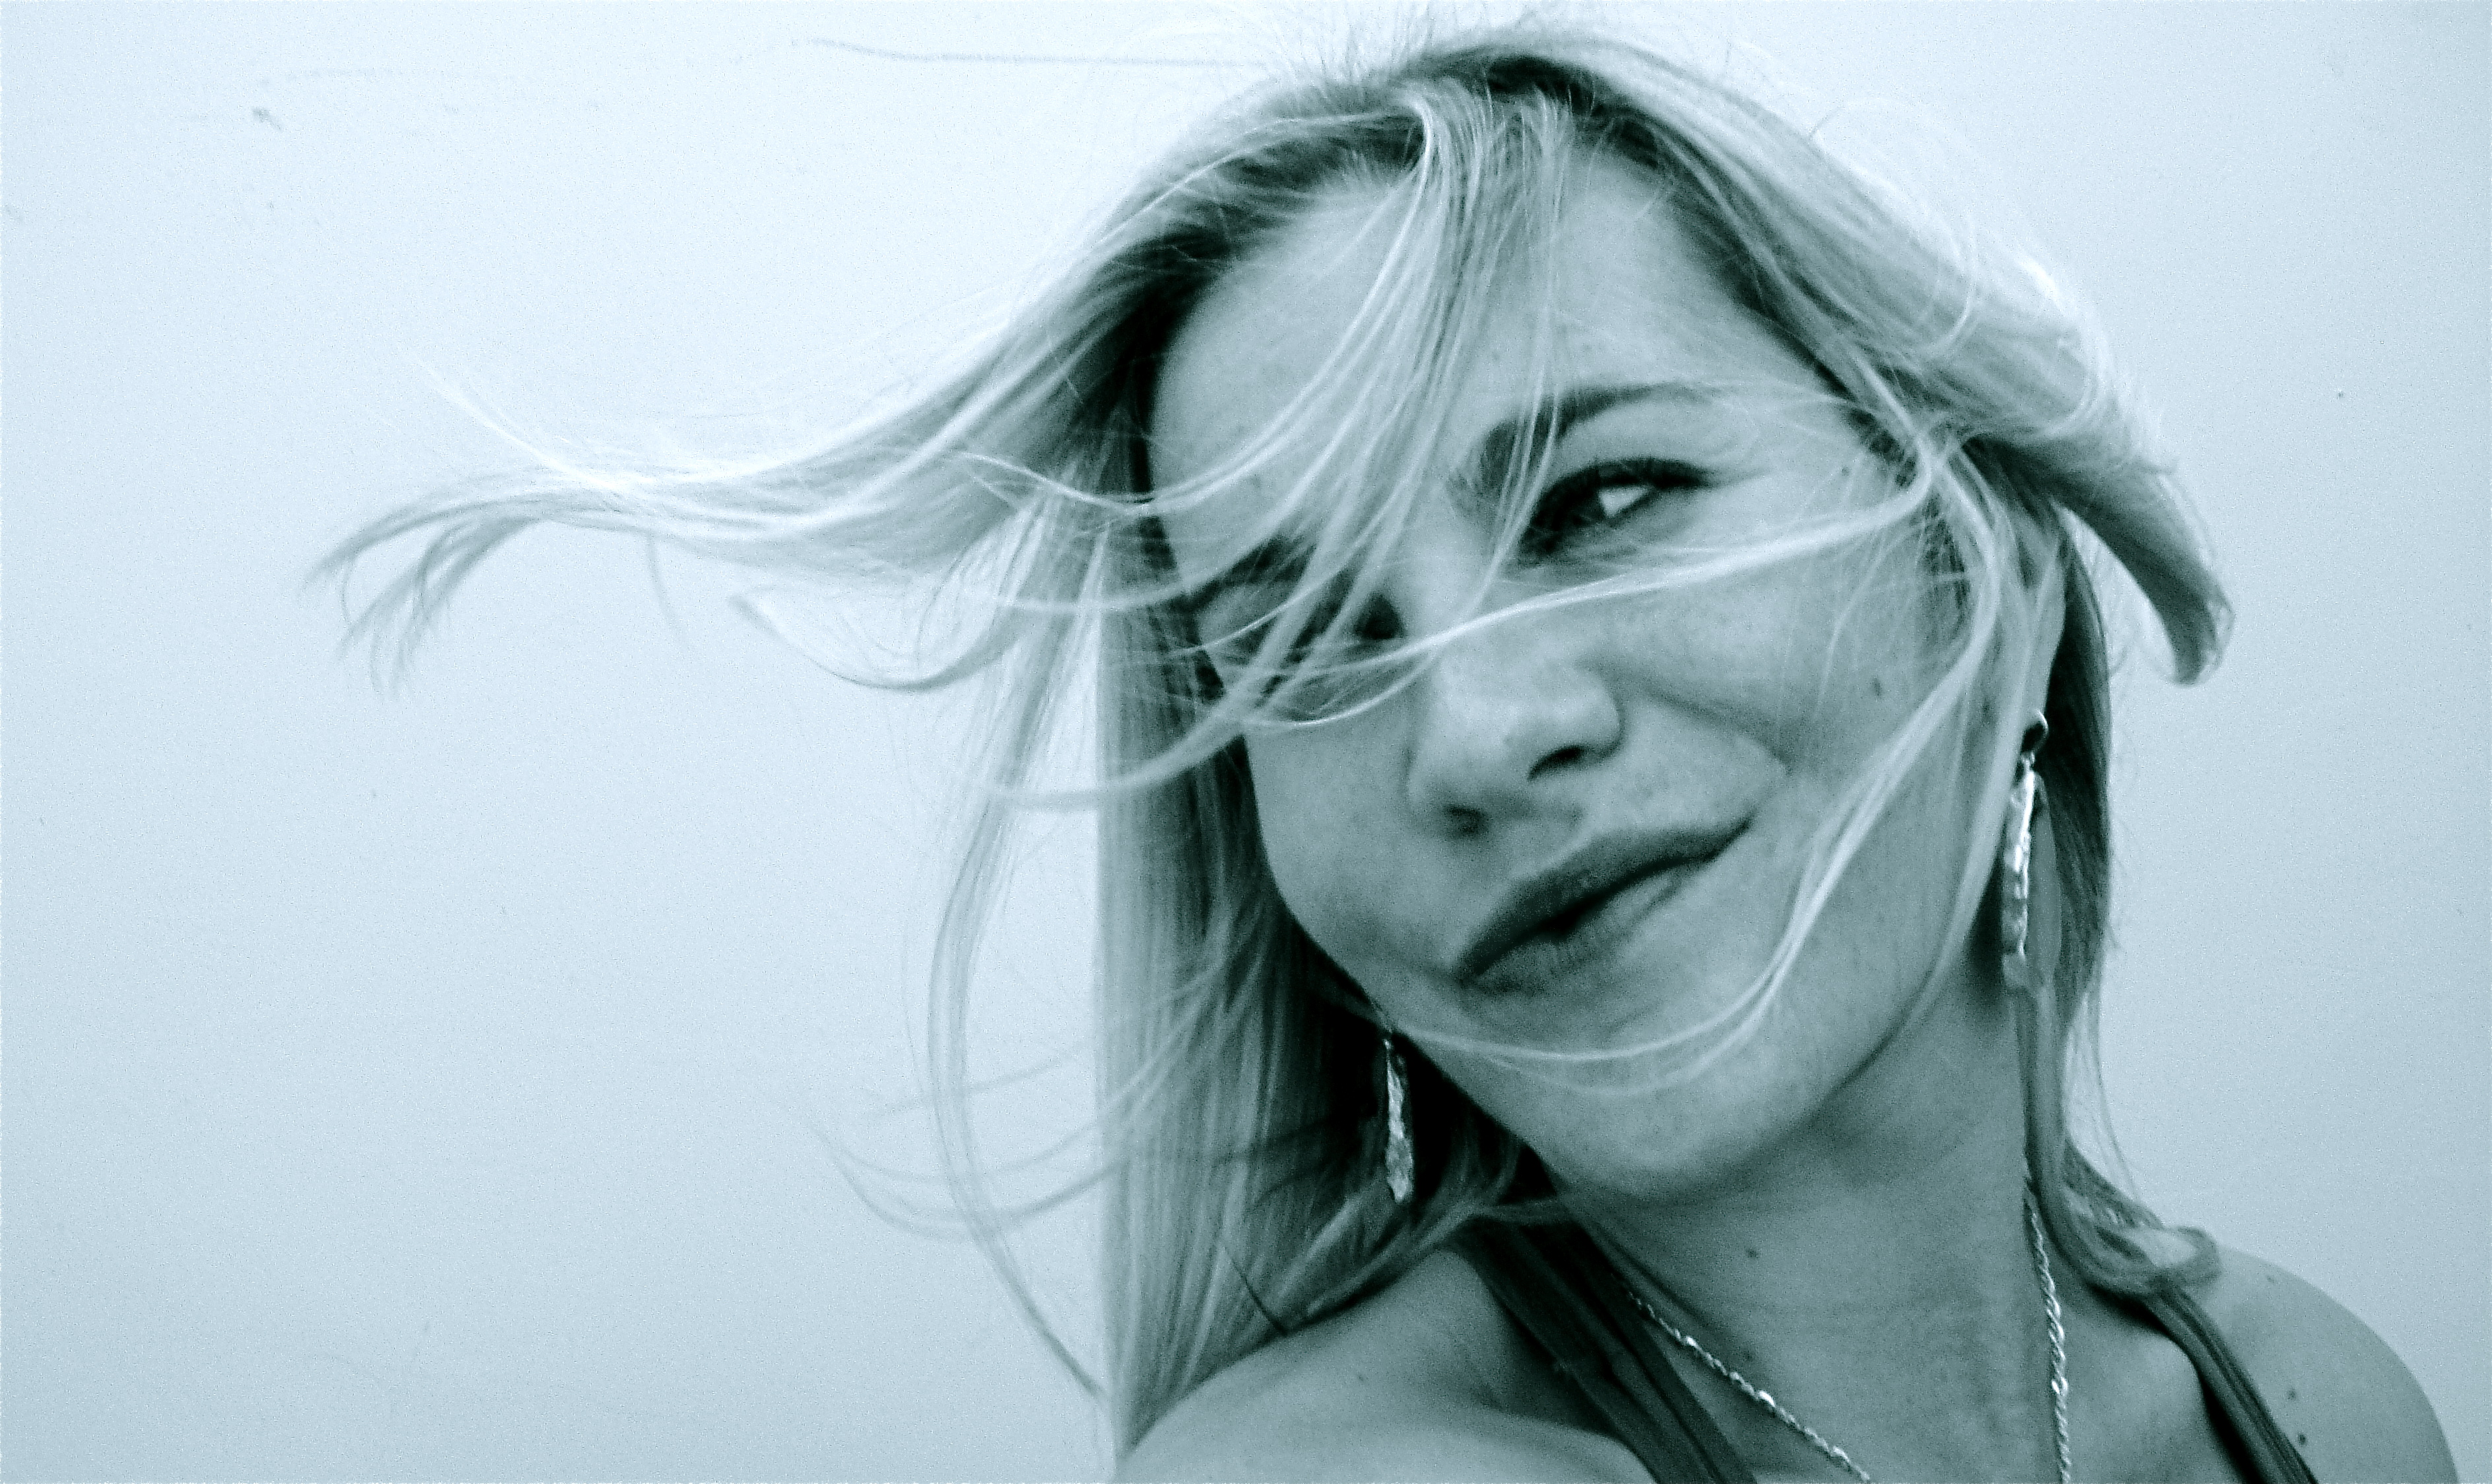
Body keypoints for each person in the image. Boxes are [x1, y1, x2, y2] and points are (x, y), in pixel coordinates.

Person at [321, 24, 2457, 1481]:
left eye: (1603, 499)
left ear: (1963, 544)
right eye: (1308, 645)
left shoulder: (2315, 1404)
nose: (1478, 732)